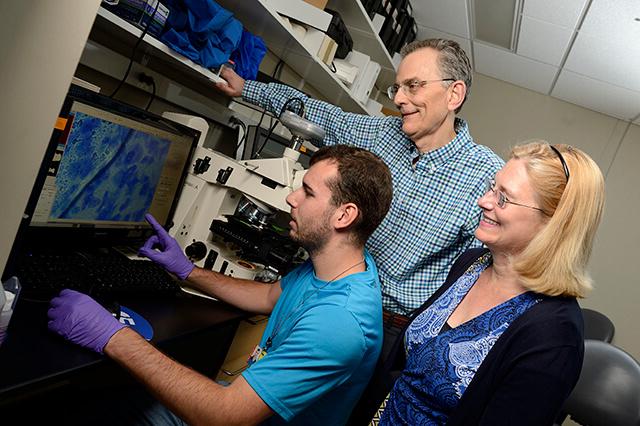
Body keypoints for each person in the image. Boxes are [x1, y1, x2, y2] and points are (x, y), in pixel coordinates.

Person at [47, 145, 394, 425]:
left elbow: (223, 416)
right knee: (101, 398)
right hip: (234, 400)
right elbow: (271, 295)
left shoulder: (340, 323)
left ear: (344, 216)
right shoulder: (340, 268)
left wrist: (113, 336)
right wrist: (187, 271)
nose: (291, 198)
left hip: (228, 413)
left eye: (307, 192)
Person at [216, 38, 504, 320]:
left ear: (454, 94)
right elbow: (326, 117)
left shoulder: (487, 177)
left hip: (391, 323)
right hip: (329, 293)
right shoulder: (385, 133)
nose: (400, 99)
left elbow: (476, 278)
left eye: (413, 85)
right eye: (398, 87)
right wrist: (246, 89)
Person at [364, 142, 605, 425]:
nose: (484, 201)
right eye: (492, 187)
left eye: (504, 198)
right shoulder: (471, 263)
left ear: (552, 224)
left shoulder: (554, 334)